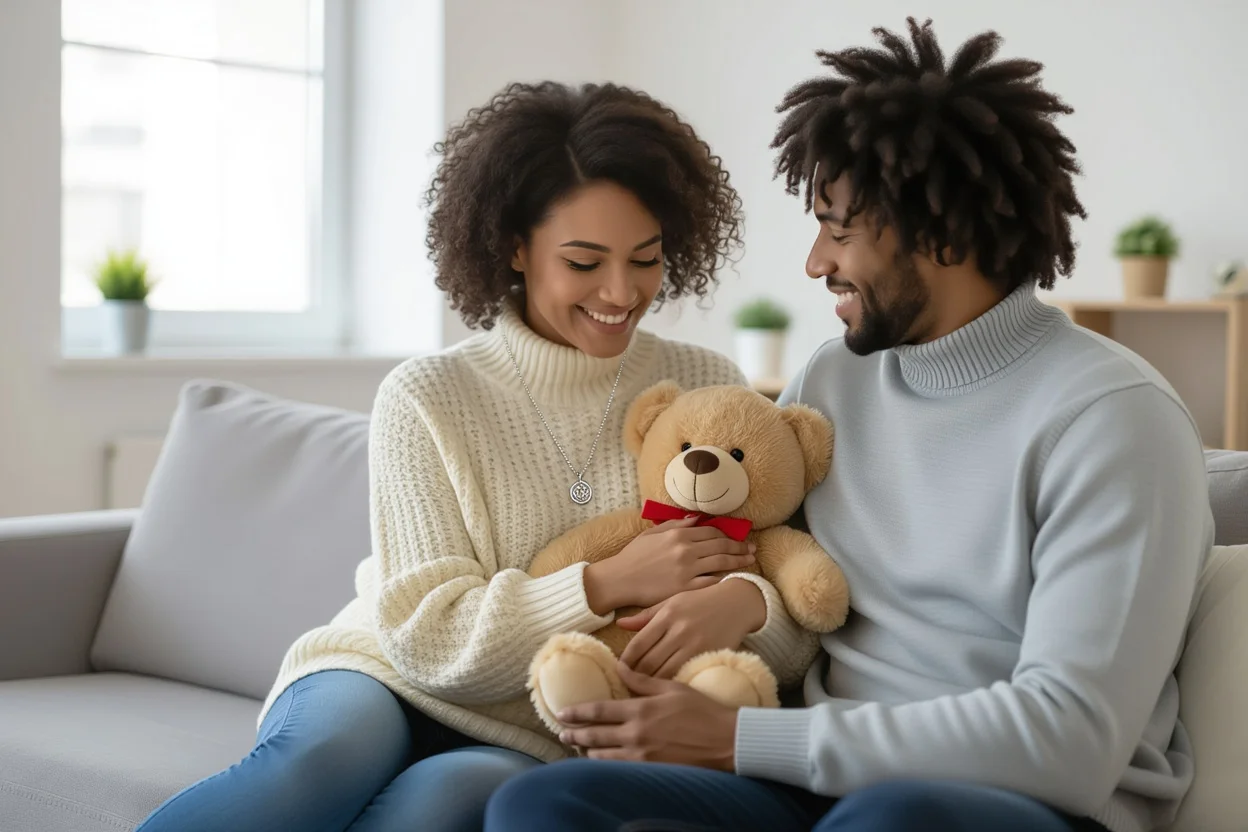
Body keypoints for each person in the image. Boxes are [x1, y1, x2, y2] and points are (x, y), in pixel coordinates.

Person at [483, 18, 1214, 832]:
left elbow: (1069, 741)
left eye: (838, 228)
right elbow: (763, 564)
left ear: (940, 232)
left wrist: (743, 738)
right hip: (810, 783)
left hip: (1013, 804)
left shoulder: (1115, 421)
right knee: (544, 803)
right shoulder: (834, 379)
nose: (815, 262)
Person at [134, 81, 820, 832]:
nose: (621, 292)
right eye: (584, 263)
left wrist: (744, 605)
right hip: (386, 672)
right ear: (514, 248)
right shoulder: (427, 395)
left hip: (542, 720)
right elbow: (425, 636)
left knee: (451, 800)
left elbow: (795, 608)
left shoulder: (705, 384)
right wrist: (605, 581)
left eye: (646, 259)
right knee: (316, 763)